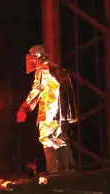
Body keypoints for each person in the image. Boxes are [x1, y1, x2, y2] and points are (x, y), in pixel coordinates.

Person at [17, 44, 78, 175]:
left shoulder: (42, 71)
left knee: (47, 140)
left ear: (37, 57)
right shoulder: (59, 70)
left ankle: (54, 172)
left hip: (48, 112)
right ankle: (69, 172)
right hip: (62, 115)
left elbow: (36, 90)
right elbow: (69, 94)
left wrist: (24, 108)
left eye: (33, 57)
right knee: (61, 140)